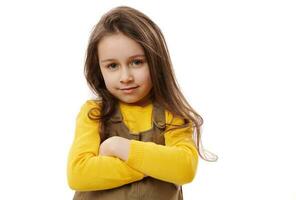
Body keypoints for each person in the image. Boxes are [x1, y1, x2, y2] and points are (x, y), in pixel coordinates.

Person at [67, 5, 218, 200]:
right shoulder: (94, 113)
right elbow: (78, 174)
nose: (126, 77)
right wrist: (158, 166)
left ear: (156, 61)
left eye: (136, 62)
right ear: (99, 69)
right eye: (112, 66)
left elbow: (185, 168)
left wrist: (117, 146)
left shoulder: (171, 113)